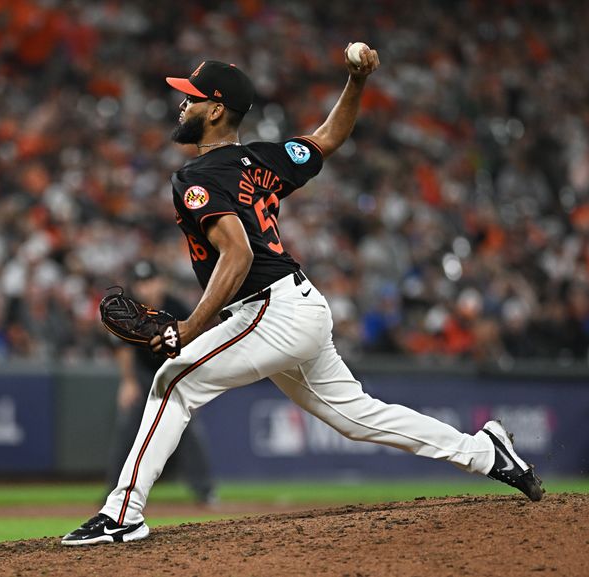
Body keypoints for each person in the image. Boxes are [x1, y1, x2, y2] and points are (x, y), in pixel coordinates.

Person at [62, 43, 543, 546]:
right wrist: (356, 82)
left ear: (217, 109)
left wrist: (188, 328)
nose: (181, 104)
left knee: (174, 379)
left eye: (191, 97)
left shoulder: (196, 177)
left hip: (272, 308)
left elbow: (239, 256)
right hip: (296, 305)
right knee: (356, 417)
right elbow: (328, 138)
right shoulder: (262, 160)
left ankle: (122, 513)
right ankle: (486, 452)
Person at [106, 260, 216, 505]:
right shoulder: (130, 309)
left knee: (189, 431)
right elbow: (124, 349)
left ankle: (205, 491)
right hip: (144, 375)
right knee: (128, 430)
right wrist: (128, 382)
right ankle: (113, 495)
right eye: (141, 283)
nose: (146, 288)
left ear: (162, 282)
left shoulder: (176, 307)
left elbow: (193, 348)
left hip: (173, 375)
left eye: (150, 281)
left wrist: (192, 386)